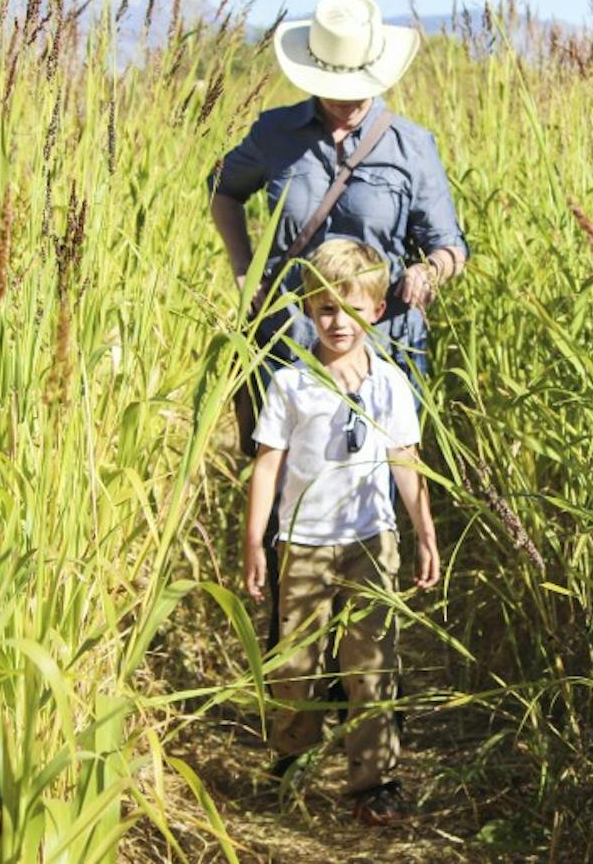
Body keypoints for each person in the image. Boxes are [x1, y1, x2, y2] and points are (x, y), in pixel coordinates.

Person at [243, 238, 442, 826]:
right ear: (309, 311)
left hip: (370, 541)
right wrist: (256, 540)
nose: (338, 321)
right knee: (296, 666)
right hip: (302, 544)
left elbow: (406, 460)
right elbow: (268, 464)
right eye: (326, 308)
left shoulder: (390, 385)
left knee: (371, 664)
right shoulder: (291, 385)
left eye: (352, 308)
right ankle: (292, 761)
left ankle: (372, 783)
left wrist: (424, 533)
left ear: (376, 311)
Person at [209, 0, 467, 384]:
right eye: (334, 85)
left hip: (383, 343)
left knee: (388, 447)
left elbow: (449, 246)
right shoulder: (275, 132)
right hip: (290, 337)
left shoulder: (411, 144)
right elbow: (222, 191)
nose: (345, 99)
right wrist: (244, 269)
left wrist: (428, 272)